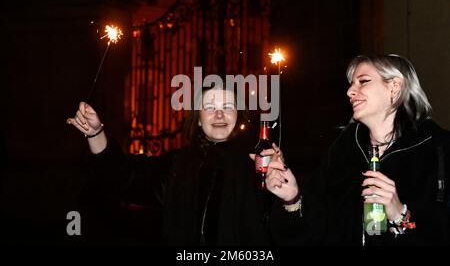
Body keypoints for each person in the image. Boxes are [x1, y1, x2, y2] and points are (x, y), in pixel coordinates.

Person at [260, 54, 450, 246]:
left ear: (394, 87)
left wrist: (400, 215)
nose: (350, 91)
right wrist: (292, 198)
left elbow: (440, 229)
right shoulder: (343, 152)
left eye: (363, 82)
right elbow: (317, 231)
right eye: (351, 84)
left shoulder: (437, 149)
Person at [67, 87, 271, 246]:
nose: (219, 115)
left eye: (227, 107)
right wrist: (95, 134)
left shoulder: (259, 166)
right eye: (209, 107)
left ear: (238, 116)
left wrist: (289, 197)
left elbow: (285, 225)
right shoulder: (178, 166)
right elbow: (123, 178)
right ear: (198, 119)